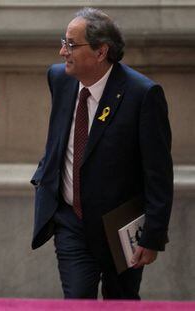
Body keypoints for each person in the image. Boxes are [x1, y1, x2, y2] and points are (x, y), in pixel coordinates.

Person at [31, 7, 173, 299]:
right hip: (70, 221)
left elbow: (158, 172)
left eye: (71, 44)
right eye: (63, 41)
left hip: (120, 225)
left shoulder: (142, 95)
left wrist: (153, 235)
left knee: (121, 301)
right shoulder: (59, 79)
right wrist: (44, 174)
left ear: (100, 52)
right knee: (77, 299)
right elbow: (60, 139)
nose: (62, 52)